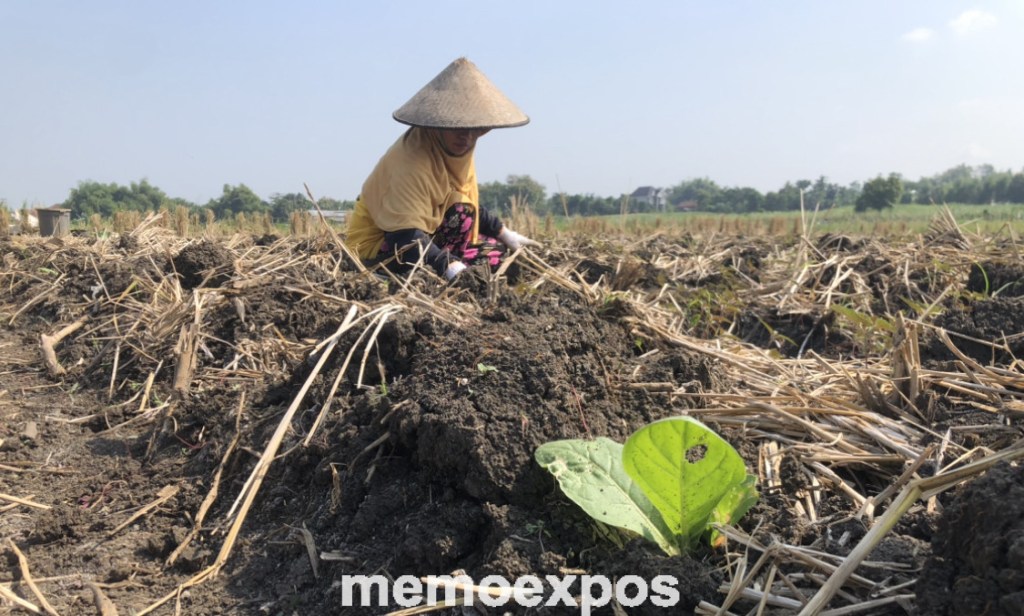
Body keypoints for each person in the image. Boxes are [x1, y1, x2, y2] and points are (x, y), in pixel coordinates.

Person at [345, 57, 540, 282]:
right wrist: (451, 268)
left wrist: (504, 233)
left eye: (473, 129)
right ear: (437, 126)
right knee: (461, 217)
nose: (466, 137)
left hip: (428, 237)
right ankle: (429, 270)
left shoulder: (455, 153)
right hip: (384, 249)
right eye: (457, 128)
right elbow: (405, 235)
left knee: (498, 254)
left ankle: (449, 263)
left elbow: (464, 201)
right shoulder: (411, 161)